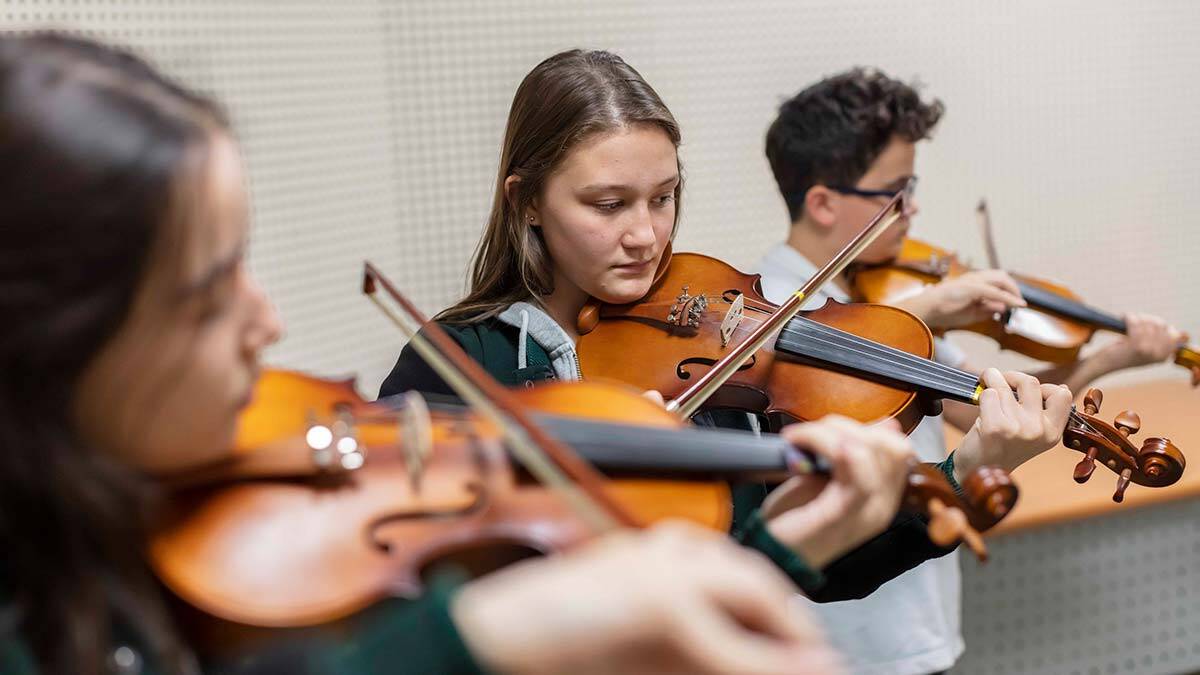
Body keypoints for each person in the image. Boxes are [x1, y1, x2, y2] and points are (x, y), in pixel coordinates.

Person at [0, 32, 845, 675]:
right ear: (53, 340)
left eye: (664, 199)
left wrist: (782, 545)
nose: (268, 318)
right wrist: (490, 629)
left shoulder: (119, 551)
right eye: (209, 288)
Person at [380, 49, 1073, 604]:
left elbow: (814, 565)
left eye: (664, 197)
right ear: (526, 200)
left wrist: (968, 468)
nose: (646, 235)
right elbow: (409, 574)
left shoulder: (714, 333)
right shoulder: (461, 359)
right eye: (609, 203)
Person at [758, 66, 1185, 675]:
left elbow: (974, 403)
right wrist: (925, 312)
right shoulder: (767, 308)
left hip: (920, 610)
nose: (913, 209)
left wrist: (1112, 357)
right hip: (837, 640)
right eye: (895, 192)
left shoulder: (886, 297)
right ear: (824, 202)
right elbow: (815, 360)